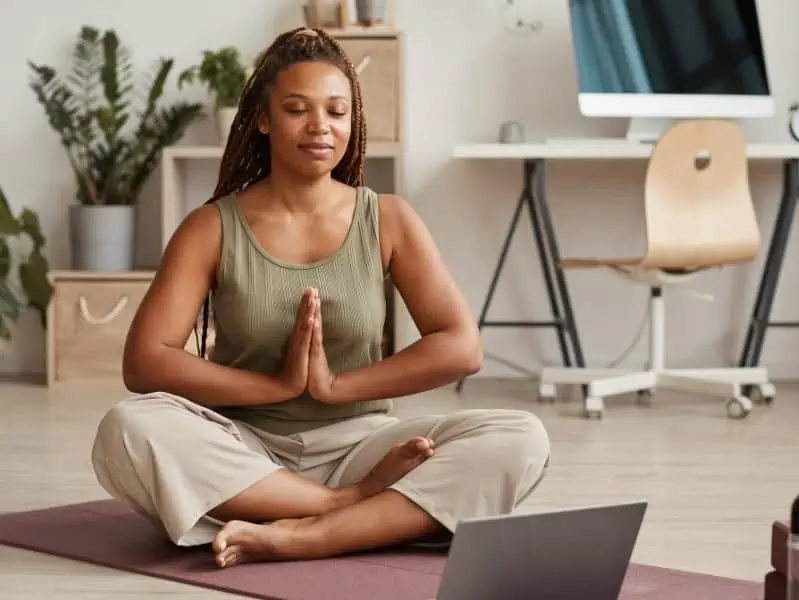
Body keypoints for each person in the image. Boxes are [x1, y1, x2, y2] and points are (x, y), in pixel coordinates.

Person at [90, 26, 551, 569]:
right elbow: (145, 361)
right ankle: (345, 510)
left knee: (521, 437)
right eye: (297, 109)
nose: (320, 127)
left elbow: (460, 346)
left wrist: (336, 387)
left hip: (364, 446)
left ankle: (305, 536)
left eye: (336, 111)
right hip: (245, 449)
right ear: (263, 119)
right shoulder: (211, 226)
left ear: (352, 122)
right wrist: (275, 386)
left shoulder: (390, 219)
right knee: (128, 428)